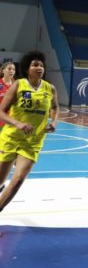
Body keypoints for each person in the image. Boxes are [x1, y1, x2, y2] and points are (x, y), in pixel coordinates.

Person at [0, 51, 59, 210]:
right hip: (11, 137)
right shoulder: (18, 84)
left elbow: (55, 107)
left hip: (33, 141)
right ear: (27, 68)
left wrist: (54, 121)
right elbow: (1, 111)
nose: (39, 67)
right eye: (35, 65)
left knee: (18, 179)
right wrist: (17, 123)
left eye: (41, 65)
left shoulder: (50, 89)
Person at [0, 62, 17, 129]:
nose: (12, 71)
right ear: (3, 70)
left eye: (13, 69)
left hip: (12, 121)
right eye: (9, 69)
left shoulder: (17, 85)